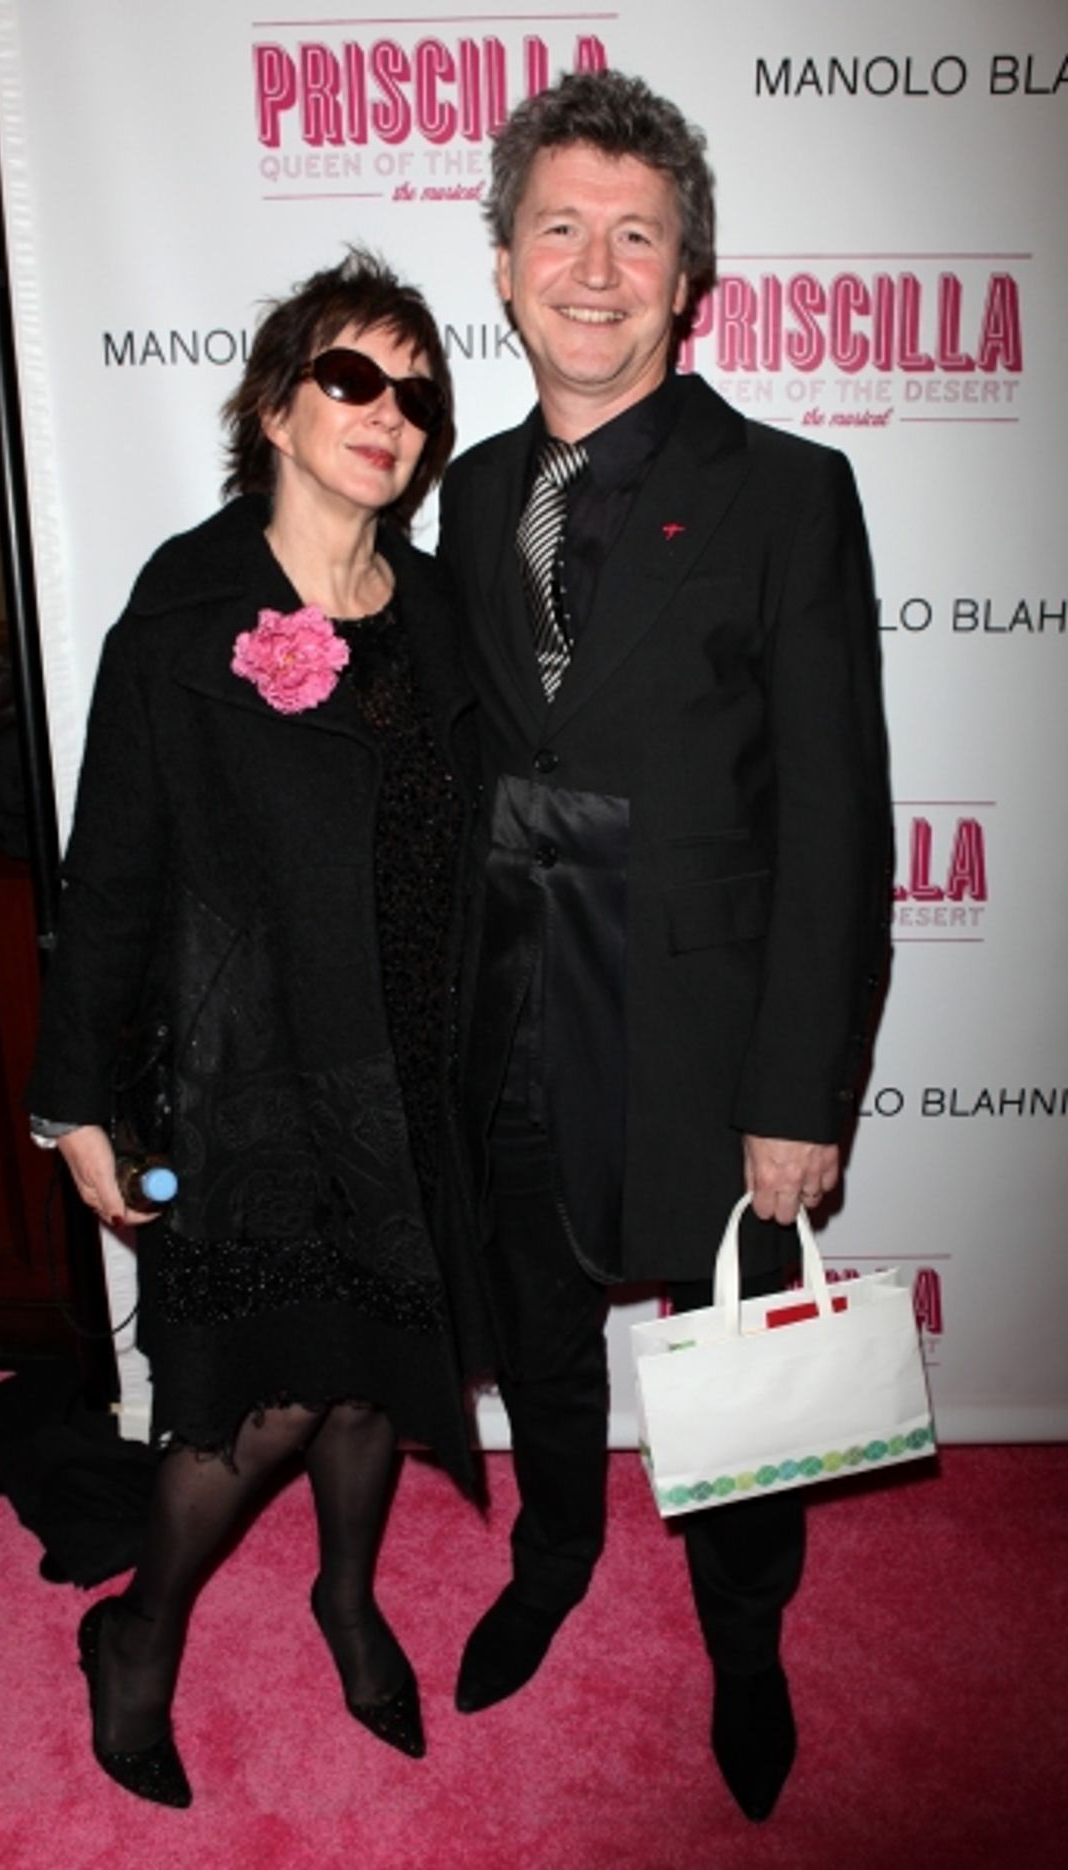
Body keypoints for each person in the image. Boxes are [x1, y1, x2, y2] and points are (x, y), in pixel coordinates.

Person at [438, 70, 891, 1822]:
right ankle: (552, 1554)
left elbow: (841, 819)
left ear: (690, 276)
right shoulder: (470, 496)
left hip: (708, 1032)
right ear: (503, 265)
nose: (597, 266)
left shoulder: (788, 490)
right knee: (544, 1340)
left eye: (638, 233)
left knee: (740, 1374)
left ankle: (747, 1633)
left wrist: (803, 1091)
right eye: (561, 227)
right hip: (517, 1012)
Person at [26, 251, 480, 1809]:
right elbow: (117, 864)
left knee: (371, 1378)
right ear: (279, 404)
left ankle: (346, 1596)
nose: (389, 415)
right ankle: (137, 1632)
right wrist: (80, 1101)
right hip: (259, 1081)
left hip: (411, 1073)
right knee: (266, 1395)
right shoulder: (190, 604)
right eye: (353, 378)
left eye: (416, 393)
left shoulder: (429, 609)